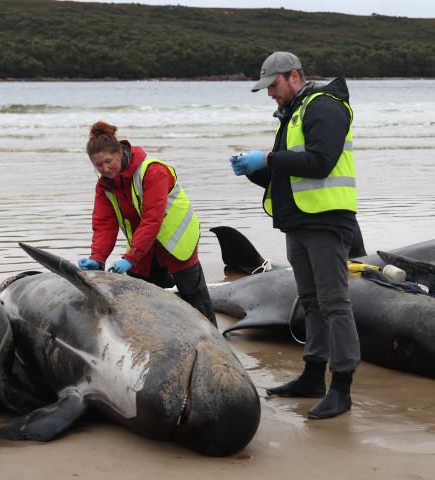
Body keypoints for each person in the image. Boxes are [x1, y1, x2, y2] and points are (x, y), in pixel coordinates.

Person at [230, 51, 361, 419]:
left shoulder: (325, 106)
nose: (270, 93)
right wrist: (254, 170)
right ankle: (312, 376)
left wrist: (269, 158)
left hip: (327, 221)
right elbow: (289, 173)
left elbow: (321, 162)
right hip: (300, 222)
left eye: (273, 85)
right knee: (311, 301)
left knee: (334, 303)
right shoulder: (294, 113)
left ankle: (342, 387)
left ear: (293, 76)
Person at [78, 120, 217, 327]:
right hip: (143, 250)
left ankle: (215, 342)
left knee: (195, 300)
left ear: (119, 152)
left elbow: (153, 220)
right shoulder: (105, 185)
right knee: (146, 304)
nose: (105, 169)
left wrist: (130, 258)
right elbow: (104, 225)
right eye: (98, 165)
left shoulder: (153, 171)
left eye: (108, 161)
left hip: (176, 243)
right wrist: (97, 258)